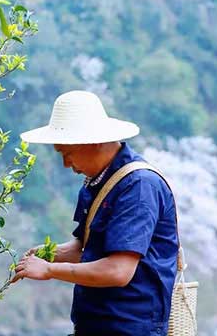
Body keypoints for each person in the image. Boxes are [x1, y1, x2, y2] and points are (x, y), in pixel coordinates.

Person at [11, 90, 179, 336]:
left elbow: (118, 270)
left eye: (67, 154)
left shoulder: (139, 186)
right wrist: (48, 254)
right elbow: (86, 249)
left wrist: (48, 270)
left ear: (94, 142)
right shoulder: (97, 182)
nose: (66, 164)